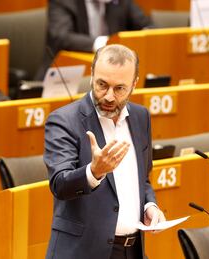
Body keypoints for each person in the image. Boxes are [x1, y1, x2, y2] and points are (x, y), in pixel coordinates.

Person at [44, 44, 165, 259]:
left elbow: (142, 179)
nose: (109, 97)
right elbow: (59, 184)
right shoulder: (64, 120)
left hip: (133, 251)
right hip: (83, 252)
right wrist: (94, 172)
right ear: (91, 75)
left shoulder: (140, 117)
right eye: (102, 85)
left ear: (134, 84)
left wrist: (150, 205)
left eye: (119, 88)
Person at [35, 0, 152, 80]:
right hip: (66, 74)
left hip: (112, 73)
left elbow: (146, 25)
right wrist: (104, 44)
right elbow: (60, 36)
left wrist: (149, 34)